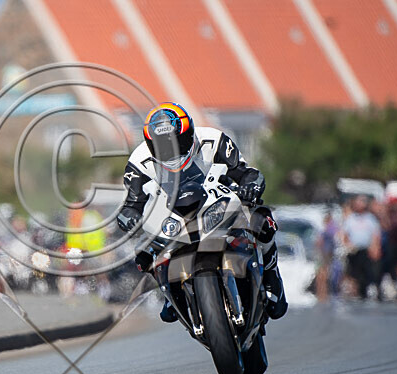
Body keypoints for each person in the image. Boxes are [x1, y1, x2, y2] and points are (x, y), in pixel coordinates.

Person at [116, 102, 287, 322]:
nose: (172, 149)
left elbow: (244, 172)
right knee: (143, 254)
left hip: (216, 202)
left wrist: (251, 184)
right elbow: (132, 203)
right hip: (173, 216)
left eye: (177, 141)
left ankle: (272, 275)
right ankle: (170, 293)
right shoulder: (139, 162)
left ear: (189, 133)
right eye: (163, 145)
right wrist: (128, 216)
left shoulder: (213, 140)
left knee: (262, 219)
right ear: (151, 143)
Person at [341, 196, 381, 299]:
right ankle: (355, 291)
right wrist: (347, 245)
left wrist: (375, 247)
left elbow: (375, 234)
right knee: (354, 273)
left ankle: (365, 291)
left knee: (367, 272)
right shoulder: (351, 218)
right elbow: (345, 234)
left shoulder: (370, 218)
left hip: (366, 250)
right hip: (354, 250)